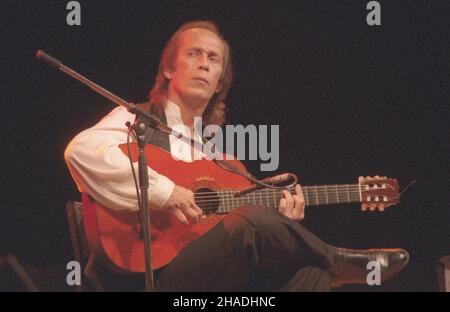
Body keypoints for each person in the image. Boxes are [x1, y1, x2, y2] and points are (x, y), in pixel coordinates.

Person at [64, 20, 409, 291]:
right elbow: (79, 152)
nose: (203, 65)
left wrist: (285, 226)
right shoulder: (136, 119)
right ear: (169, 69)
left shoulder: (222, 161)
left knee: (309, 277)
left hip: (213, 282)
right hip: (149, 278)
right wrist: (166, 192)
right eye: (193, 55)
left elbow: (237, 241)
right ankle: (337, 259)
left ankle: (324, 266)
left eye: (213, 60)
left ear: (218, 84)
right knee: (253, 222)